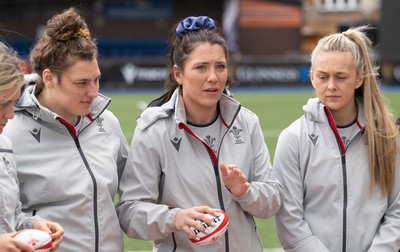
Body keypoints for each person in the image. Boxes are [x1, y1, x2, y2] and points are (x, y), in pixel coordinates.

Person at [116, 16, 283, 251]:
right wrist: (175, 218)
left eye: (220, 66)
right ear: (178, 74)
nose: (213, 77)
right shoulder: (154, 130)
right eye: (201, 67)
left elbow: (272, 200)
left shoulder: (246, 122)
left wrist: (245, 191)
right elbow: (129, 213)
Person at [3, 8, 129, 251]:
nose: (94, 92)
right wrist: (34, 224)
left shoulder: (108, 122)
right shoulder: (9, 128)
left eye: (96, 79)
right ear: (49, 78)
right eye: (81, 83)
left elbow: (135, 198)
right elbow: (6, 217)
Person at [274, 26, 400, 251]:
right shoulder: (293, 139)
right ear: (312, 77)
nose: (331, 86)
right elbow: (290, 222)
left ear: (360, 78)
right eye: (323, 76)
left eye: (341, 77)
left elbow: (396, 212)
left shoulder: (388, 136)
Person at [0, 42, 63, 251]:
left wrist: (33, 226)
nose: (10, 115)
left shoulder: (4, 145)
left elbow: (11, 215)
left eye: (13, 102)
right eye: (3, 104)